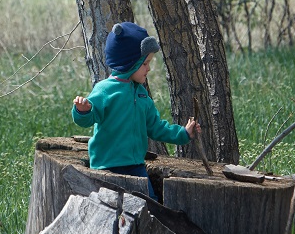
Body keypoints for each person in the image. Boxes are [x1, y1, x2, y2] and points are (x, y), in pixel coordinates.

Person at [72, 22, 200, 200]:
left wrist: (183, 133)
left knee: (150, 203)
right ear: (130, 63)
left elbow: (156, 127)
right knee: (112, 208)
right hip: (107, 167)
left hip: (136, 166)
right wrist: (83, 110)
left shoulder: (141, 95)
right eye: (145, 63)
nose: (148, 68)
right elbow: (88, 118)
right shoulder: (105, 90)